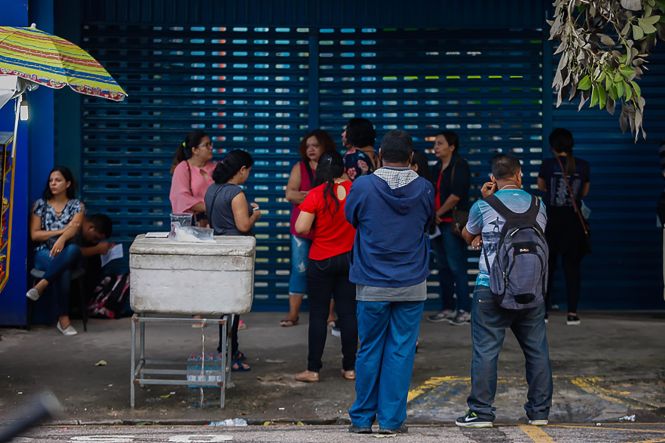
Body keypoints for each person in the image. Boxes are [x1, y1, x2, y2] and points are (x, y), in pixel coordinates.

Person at [346, 130, 434, 435]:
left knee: (369, 349)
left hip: (371, 282)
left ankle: (361, 420)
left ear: (379, 156)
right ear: (411, 158)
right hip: (412, 281)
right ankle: (392, 421)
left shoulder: (363, 186)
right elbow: (427, 223)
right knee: (401, 351)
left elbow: (351, 218)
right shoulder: (425, 188)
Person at [456, 154, 552, 428]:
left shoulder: (482, 206)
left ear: (493, 179)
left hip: (490, 289)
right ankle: (539, 412)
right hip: (531, 290)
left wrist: (479, 230)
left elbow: (466, 234)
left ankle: (481, 413)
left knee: (486, 352)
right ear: (520, 175)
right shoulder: (539, 205)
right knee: (537, 351)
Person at [293, 151, 357, 383]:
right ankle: (350, 368)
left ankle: (313, 369)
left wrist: (319, 231)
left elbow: (300, 228)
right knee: (349, 314)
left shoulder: (316, 194)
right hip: (350, 260)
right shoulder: (356, 191)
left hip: (321, 260)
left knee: (319, 316)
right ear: (343, 169)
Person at [205, 149, 261, 372]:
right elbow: (243, 226)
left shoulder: (212, 190)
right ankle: (227, 353)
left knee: (225, 307)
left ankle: (229, 348)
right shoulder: (236, 193)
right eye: (248, 171)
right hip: (235, 255)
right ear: (242, 170)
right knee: (232, 309)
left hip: (218, 250)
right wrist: (255, 213)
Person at [282, 129, 336, 327]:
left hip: (327, 229)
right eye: (308, 146)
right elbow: (289, 194)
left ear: (325, 146)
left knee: (329, 271)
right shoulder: (300, 166)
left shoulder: (332, 166)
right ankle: (292, 314)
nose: (311, 149)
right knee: (300, 269)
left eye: (315, 145)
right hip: (302, 230)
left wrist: (306, 196)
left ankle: (330, 316)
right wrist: (316, 197)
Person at [538, 128, 590, 325]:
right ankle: (572, 313)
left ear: (552, 145)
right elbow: (584, 192)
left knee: (547, 268)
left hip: (551, 222)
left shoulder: (547, 165)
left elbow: (541, 187)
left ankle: (543, 312)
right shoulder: (583, 166)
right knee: (572, 269)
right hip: (573, 223)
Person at [26, 166, 85, 336]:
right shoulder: (40, 205)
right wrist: (61, 232)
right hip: (44, 252)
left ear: (67, 184)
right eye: (51, 180)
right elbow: (35, 235)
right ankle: (63, 319)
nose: (53, 183)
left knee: (72, 250)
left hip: (68, 250)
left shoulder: (77, 206)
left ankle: (42, 284)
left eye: (58, 180)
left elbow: (74, 229)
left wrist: (63, 239)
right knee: (63, 268)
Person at [426, 131, 472, 326]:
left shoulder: (460, 166)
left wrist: (437, 213)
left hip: (450, 224)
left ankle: (464, 309)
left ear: (451, 147)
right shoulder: (437, 167)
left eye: (440, 143)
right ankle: (447, 307)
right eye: (435, 143)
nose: (436, 147)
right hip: (437, 224)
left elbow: (456, 195)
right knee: (443, 267)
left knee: (456, 266)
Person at [169, 130, 216, 225]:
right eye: (206, 145)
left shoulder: (216, 167)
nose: (211, 148)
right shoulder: (183, 168)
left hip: (213, 222)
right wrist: (208, 207)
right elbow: (181, 198)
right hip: (191, 224)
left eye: (211, 144)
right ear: (195, 150)